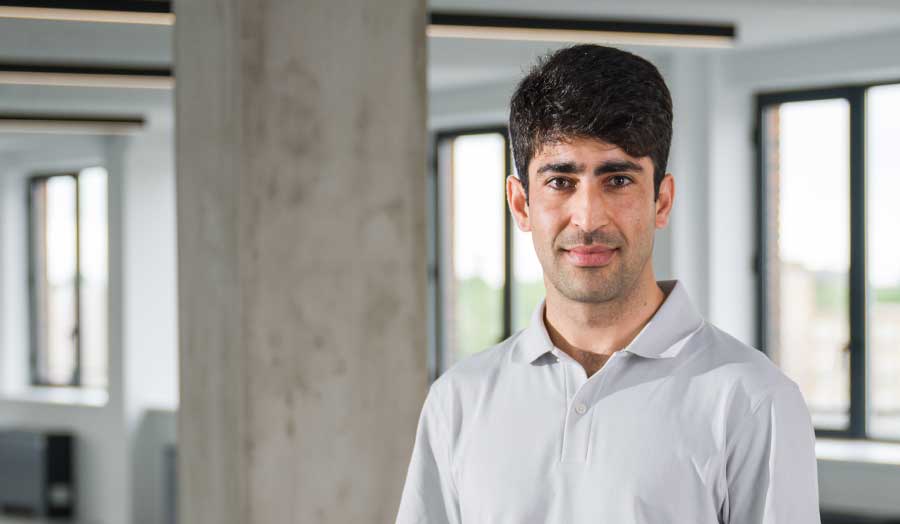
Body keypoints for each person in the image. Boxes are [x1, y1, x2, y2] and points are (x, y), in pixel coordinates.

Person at [396, 44, 820, 524]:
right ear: (520, 204)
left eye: (617, 180)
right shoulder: (458, 400)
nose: (589, 217)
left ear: (661, 201)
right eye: (560, 181)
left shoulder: (753, 400)